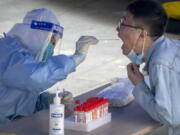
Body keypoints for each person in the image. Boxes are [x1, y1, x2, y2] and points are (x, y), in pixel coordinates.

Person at [0, 8, 98, 125]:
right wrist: (75, 58)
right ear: (38, 35)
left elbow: (17, 103)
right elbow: (34, 78)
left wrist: (47, 101)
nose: (51, 47)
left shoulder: (27, 58)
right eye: (51, 42)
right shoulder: (5, 51)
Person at [116, 0, 180, 135]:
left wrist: (139, 84)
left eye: (123, 23)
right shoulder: (170, 46)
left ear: (142, 34)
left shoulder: (160, 63)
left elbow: (170, 117)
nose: (118, 30)